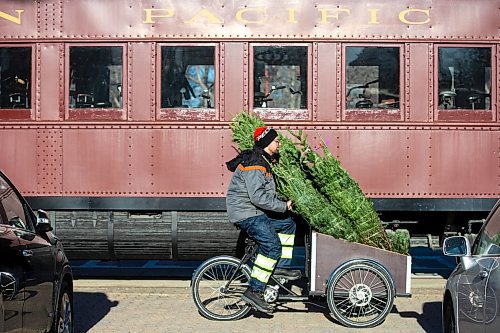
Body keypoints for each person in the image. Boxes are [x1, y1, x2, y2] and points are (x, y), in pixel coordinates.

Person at [226, 126, 301, 314]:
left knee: (287, 223)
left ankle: (279, 269)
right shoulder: (255, 163)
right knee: (272, 246)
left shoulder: (265, 160)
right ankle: (255, 290)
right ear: (267, 143)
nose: (279, 143)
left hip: (254, 211)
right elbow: (258, 197)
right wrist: (283, 206)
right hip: (247, 213)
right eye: (276, 141)